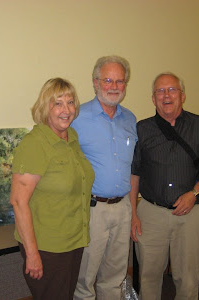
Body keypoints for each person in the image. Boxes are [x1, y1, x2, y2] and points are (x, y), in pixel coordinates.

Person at [130, 72, 199, 300]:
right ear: (153, 99)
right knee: (148, 277)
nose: (166, 95)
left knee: (188, 278)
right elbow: (134, 174)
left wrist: (194, 193)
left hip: (191, 214)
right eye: (160, 91)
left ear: (183, 96)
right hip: (150, 214)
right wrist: (133, 213)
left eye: (172, 90)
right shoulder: (142, 129)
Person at [10, 78, 95, 300]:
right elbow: (19, 202)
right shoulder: (35, 144)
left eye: (70, 102)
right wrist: (32, 254)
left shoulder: (72, 138)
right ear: (45, 107)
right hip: (47, 247)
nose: (66, 110)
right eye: (58, 103)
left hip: (73, 241)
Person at [72, 55, 137, 300]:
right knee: (84, 279)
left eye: (120, 81)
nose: (114, 86)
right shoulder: (77, 117)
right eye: (108, 80)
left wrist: (133, 210)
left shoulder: (130, 119)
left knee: (115, 278)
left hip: (123, 208)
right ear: (95, 82)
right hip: (91, 209)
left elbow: (132, 168)